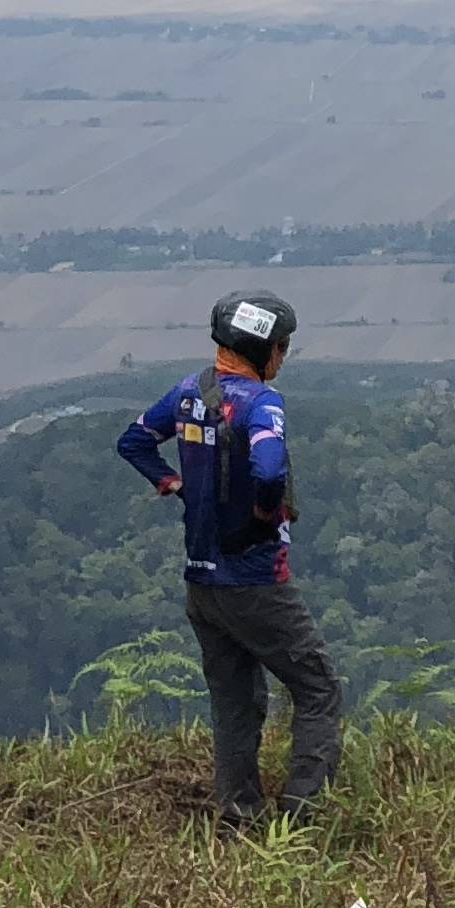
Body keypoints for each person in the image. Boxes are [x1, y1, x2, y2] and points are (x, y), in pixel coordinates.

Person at [115, 291, 343, 832]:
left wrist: (171, 483)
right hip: (255, 580)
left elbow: (134, 440)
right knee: (317, 689)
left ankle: (239, 819)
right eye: (283, 348)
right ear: (268, 350)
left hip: (203, 582)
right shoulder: (263, 403)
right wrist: (266, 511)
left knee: (235, 701)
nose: (284, 358)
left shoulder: (190, 392)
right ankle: (304, 819)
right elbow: (268, 468)